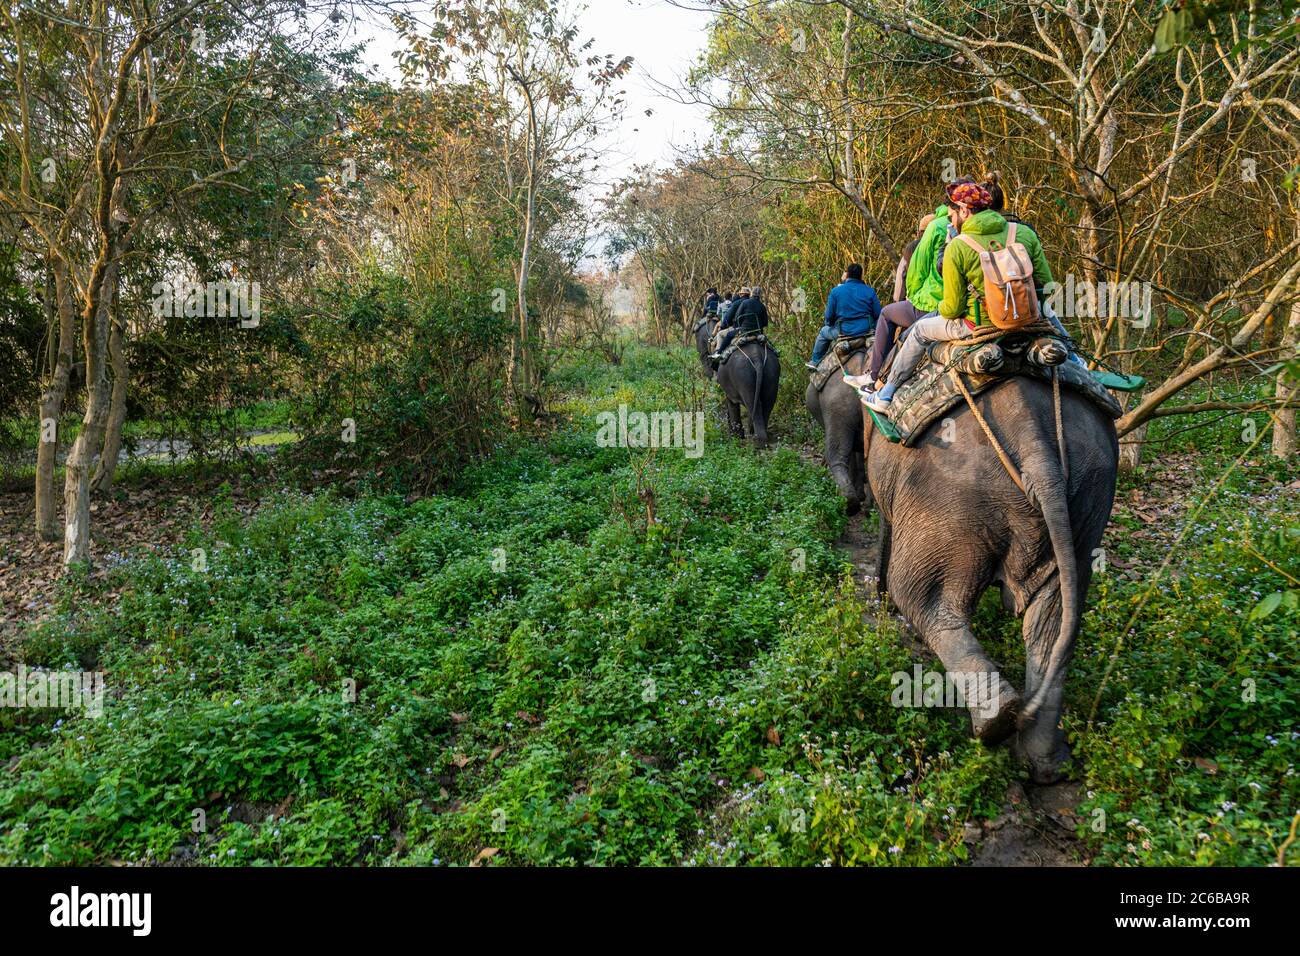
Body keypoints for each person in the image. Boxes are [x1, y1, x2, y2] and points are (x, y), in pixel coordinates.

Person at [863, 180, 1054, 415]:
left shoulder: (958, 246)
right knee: (1052, 316)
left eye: (952, 213)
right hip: (1028, 318)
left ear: (964, 210)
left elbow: (953, 309)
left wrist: (940, 305)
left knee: (920, 330)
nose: (951, 220)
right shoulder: (1023, 232)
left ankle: (885, 393)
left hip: (979, 325)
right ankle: (1078, 364)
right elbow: (1046, 284)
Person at [806, 263, 882, 370]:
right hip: (867, 331)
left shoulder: (836, 292)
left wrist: (829, 324)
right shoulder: (870, 291)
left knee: (823, 332)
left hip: (843, 332)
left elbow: (828, 317)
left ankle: (815, 361)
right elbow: (878, 314)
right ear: (861, 275)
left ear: (847, 275)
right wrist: (873, 328)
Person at [714, 286, 768, 358]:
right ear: (760, 295)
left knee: (729, 335)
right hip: (758, 333)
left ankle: (718, 353)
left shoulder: (745, 303)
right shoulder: (762, 306)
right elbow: (765, 323)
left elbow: (737, 317)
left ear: (752, 293)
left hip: (744, 331)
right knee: (771, 348)